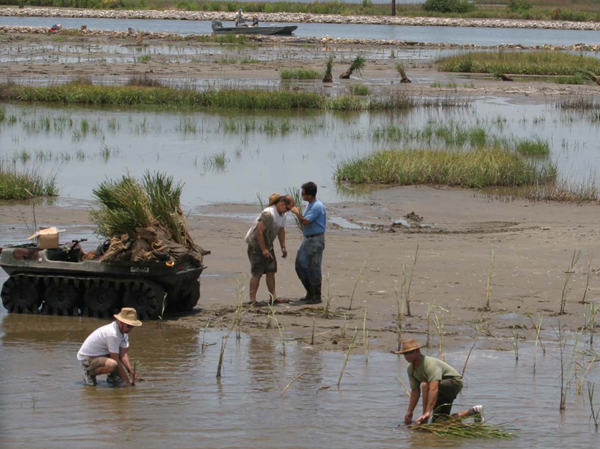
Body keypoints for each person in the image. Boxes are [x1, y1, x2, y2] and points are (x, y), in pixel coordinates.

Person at [397, 339, 485, 424]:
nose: (407, 356)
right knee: (440, 422)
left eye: (410, 352)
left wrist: (427, 412)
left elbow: (433, 389)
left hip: (453, 383)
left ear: (418, 351)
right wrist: (410, 411)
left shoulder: (429, 365)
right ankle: (473, 412)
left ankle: (425, 416)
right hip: (439, 387)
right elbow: (415, 391)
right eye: (405, 353)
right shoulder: (410, 369)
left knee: (425, 385)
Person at [245, 194, 294, 306]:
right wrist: (263, 250)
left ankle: (273, 298)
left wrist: (283, 246)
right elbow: (259, 231)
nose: (288, 211)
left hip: (268, 246)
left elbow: (281, 231)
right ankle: (252, 300)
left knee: (271, 271)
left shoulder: (282, 216)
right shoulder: (268, 214)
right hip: (256, 246)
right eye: (287, 208)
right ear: (282, 204)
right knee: (257, 273)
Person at [77, 307, 142, 386]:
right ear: (120, 322)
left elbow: (123, 355)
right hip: (87, 358)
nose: (130, 329)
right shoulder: (112, 333)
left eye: (132, 326)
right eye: (128, 326)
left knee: (115, 359)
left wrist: (130, 371)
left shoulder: (124, 333)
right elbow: (115, 358)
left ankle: (113, 378)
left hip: (102, 355)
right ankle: (89, 373)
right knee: (113, 364)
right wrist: (126, 381)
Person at [289, 182, 326, 305]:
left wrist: (296, 212)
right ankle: (310, 293)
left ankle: (316, 296)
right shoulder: (311, 204)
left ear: (310, 195)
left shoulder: (317, 206)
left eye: (304, 193)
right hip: (308, 238)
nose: (302, 195)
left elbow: (305, 222)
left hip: (315, 240)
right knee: (300, 266)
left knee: (314, 267)